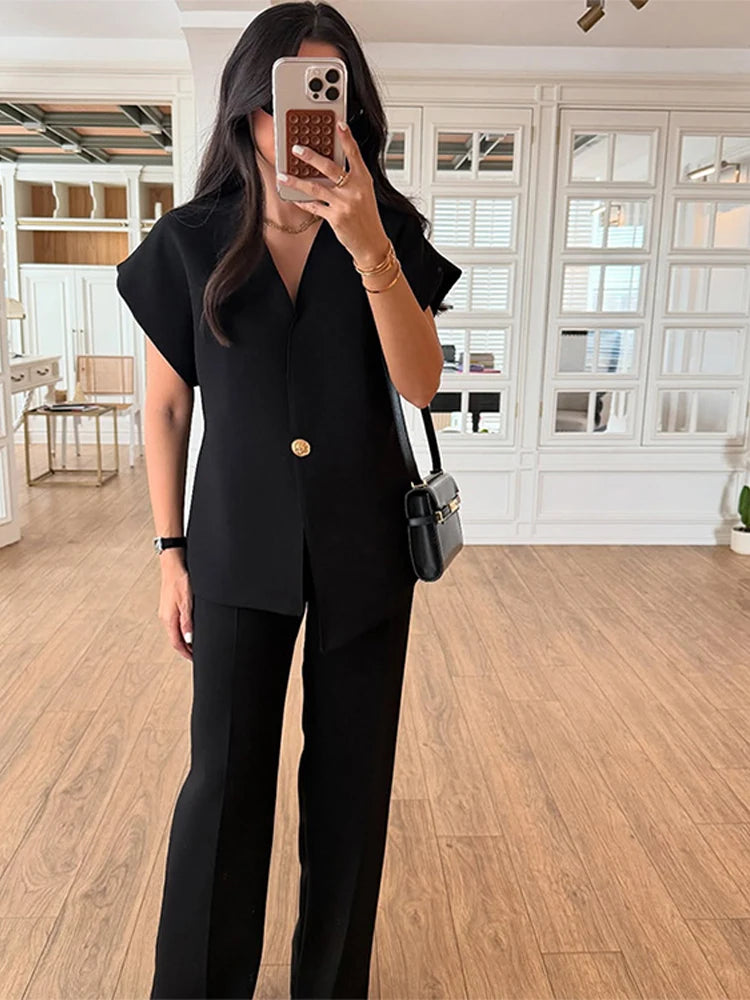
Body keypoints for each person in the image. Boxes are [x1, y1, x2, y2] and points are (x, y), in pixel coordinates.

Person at [115, 3, 462, 998]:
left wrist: (367, 243)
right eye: (285, 96)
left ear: (352, 109)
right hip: (234, 545)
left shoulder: (387, 228)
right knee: (223, 785)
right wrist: (169, 552)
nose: (305, 120)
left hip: (365, 549)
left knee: (350, 786)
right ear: (248, 105)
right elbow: (166, 407)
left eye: (328, 95)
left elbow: (422, 384)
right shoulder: (190, 241)